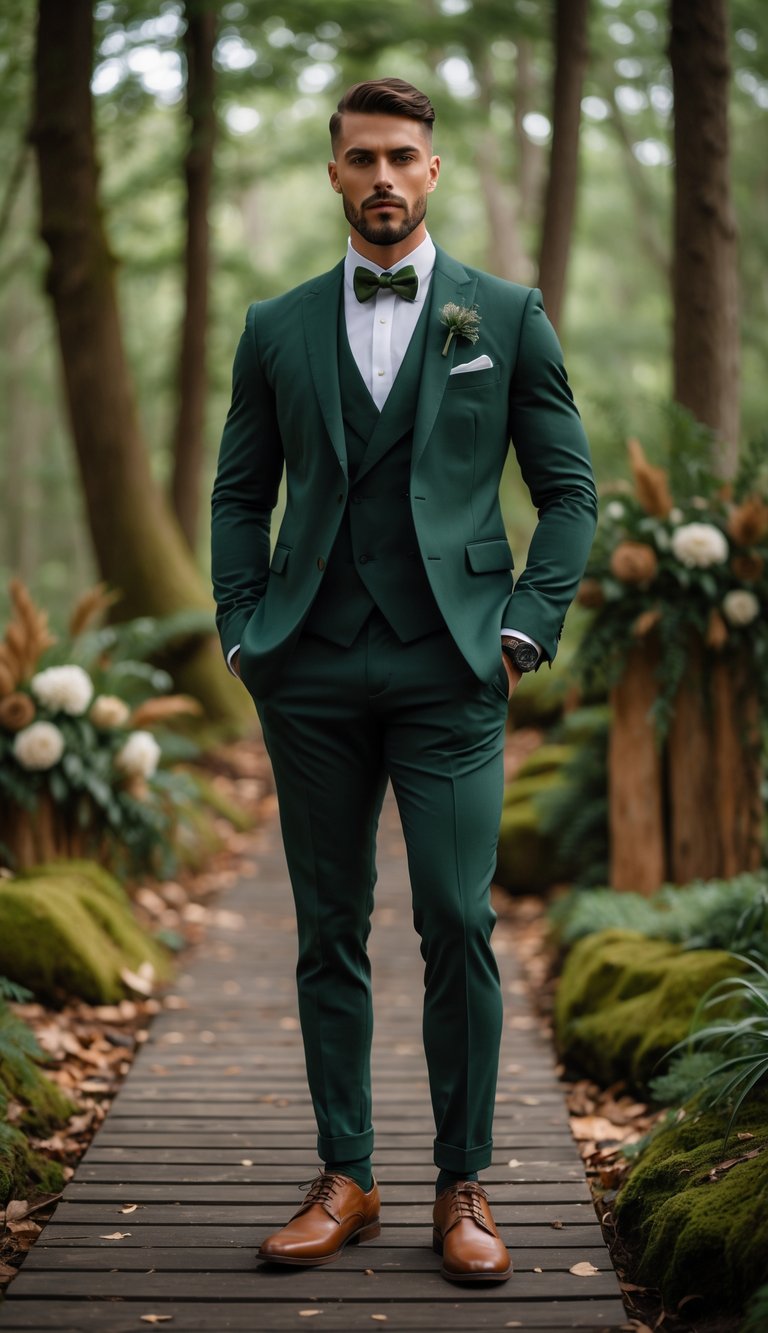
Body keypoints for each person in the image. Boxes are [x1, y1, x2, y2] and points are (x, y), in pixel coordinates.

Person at [211, 77, 597, 1284]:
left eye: (404, 157)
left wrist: (527, 629)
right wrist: (240, 628)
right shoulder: (275, 327)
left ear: (433, 173)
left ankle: (462, 1182)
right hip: (311, 665)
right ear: (334, 173)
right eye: (362, 157)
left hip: (451, 664)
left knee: (456, 916)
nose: (383, 176)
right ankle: (348, 1175)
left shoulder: (506, 315)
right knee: (328, 930)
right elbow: (239, 494)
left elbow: (570, 492)